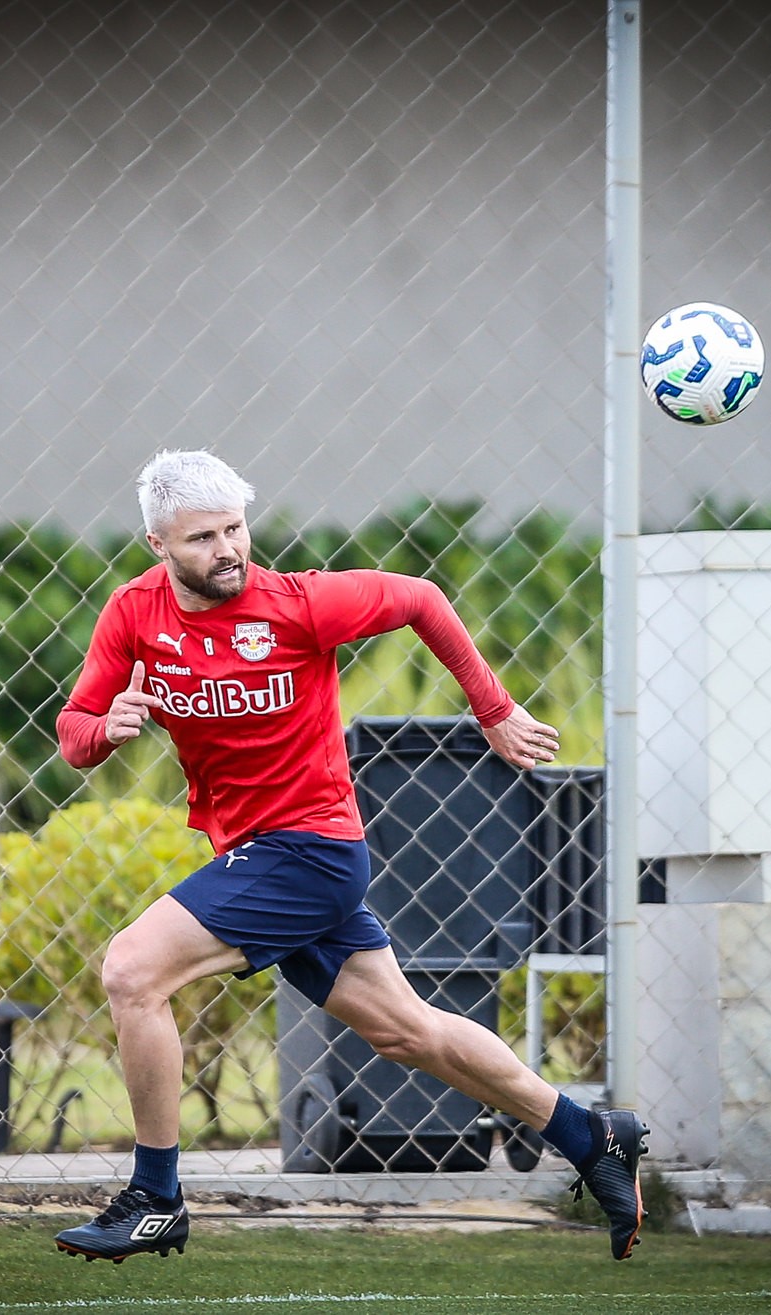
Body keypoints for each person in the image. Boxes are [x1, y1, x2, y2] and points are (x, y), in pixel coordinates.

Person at [50, 449, 648, 1265]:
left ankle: (156, 1196)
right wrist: (106, 727)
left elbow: (421, 598)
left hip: (312, 850)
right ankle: (592, 1134)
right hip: (264, 854)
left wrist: (496, 711)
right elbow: (76, 731)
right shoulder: (132, 614)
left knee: (131, 970)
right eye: (202, 538)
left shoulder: (298, 603)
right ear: (159, 544)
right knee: (408, 1032)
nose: (227, 549)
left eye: (235, 528)